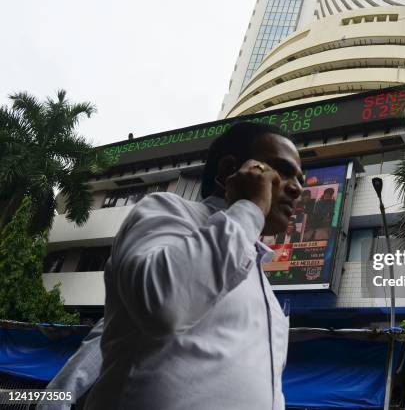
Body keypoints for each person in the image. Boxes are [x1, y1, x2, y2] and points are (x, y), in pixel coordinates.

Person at [41, 122, 303, 410]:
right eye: (282, 170)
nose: (297, 188)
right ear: (230, 169)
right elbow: (163, 302)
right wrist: (250, 208)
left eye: (301, 177)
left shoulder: (264, 290)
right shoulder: (166, 211)